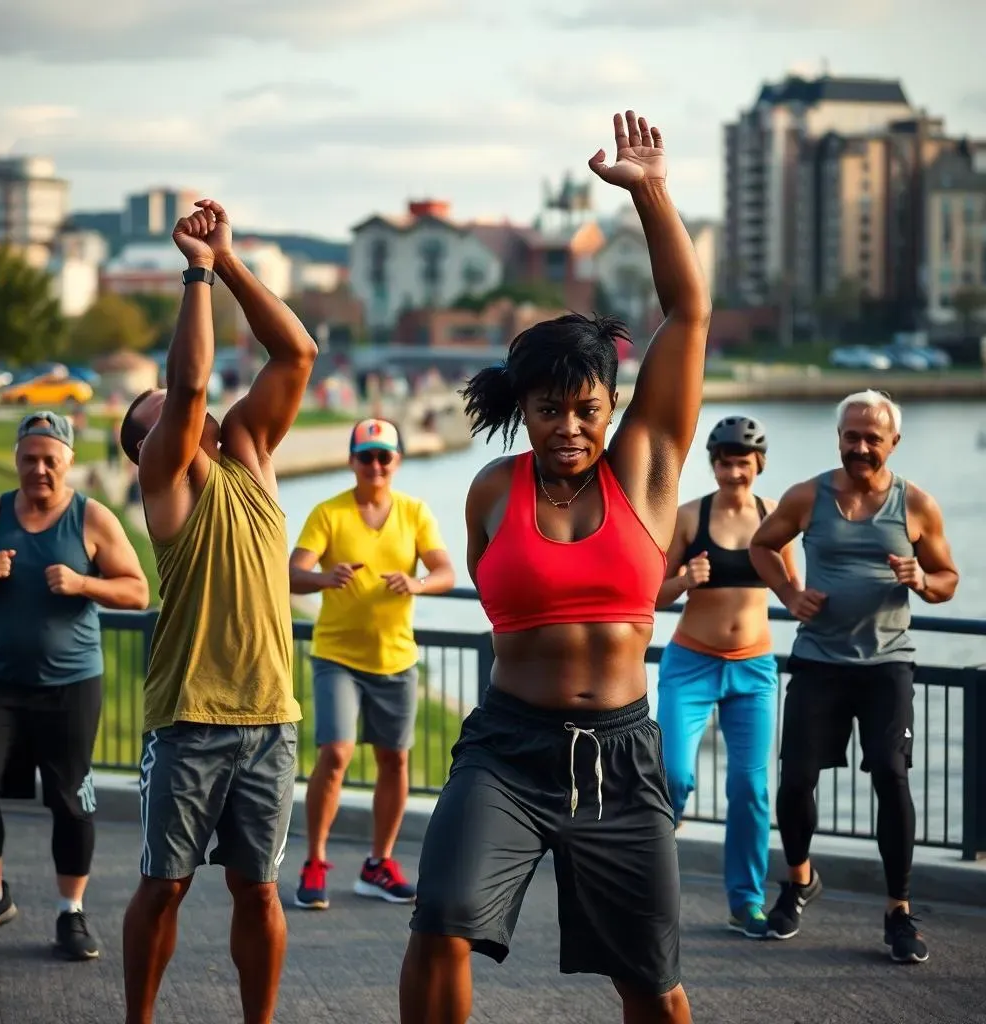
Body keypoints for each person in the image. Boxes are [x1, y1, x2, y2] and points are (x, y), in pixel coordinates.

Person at [399, 110, 710, 1024]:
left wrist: (650, 193)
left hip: (621, 758)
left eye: (585, 410)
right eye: (549, 410)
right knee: (439, 922)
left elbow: (687, 313)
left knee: (648, 980)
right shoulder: (491, 494)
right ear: (523, 410)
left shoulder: (646, 474)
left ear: (610, 408)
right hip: (505, 753)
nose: (568, 428)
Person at [117, 200, 317, 1024]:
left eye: (169, 401)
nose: (176, 408)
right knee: (164, 885)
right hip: (190, 719)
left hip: (270, 717)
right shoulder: (167, 482)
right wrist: (195, 271)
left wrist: (230, 261)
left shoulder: (252, 454)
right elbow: (194, 382)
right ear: (145, 445)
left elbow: (297, 350)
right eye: (155, 414)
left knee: (258, 890)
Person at [749, 389, 959, 963]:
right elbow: (762, 545)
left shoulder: (915, 504)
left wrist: (921, 578)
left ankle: (899, 911)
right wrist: (790, 593)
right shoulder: (807, 496)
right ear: (838, 437)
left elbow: (948, 580)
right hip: (818, 659)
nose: (861, 446)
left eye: (873, 437)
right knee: (795, 781)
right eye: (851, 435)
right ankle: (798, 881)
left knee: (891, 777)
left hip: (887, 663)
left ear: (894, 442)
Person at [0, 411, 149, 960]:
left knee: (70, 802)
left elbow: (138, 592)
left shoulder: (93, 519)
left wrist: (83, 583)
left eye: (50, 460)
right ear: (18, 461)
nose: (39, 469)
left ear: (68, 462)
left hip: (71, 685)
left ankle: (72, 912)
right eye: (29, 459)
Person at [288, 418, 455, 910]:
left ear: (397, 462)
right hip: (337, 655)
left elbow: (445, 570)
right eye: (367, 456)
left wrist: (418, 583)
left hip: (396, 657)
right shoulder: (329, 513)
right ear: (352, 461)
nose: (376, 465)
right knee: (336, 754)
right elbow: (294, 573)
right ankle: (315, 861)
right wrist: (325, 578)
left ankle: (377, 863)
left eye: (385, 456)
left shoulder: (414, 513)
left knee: (394, 760)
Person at [655, 415, 797, 939]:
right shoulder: (691, 517)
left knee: (750, 788)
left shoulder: (777, 516)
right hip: (691, 663)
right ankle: (646, 884)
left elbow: (793, 588)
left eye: (743, 462)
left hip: (754, 668)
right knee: (673, 776)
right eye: (724, 462)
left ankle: (746, 902)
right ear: (713, 465)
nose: (733, 472)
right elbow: (652, 593)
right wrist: (683, 578)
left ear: (758, 465)